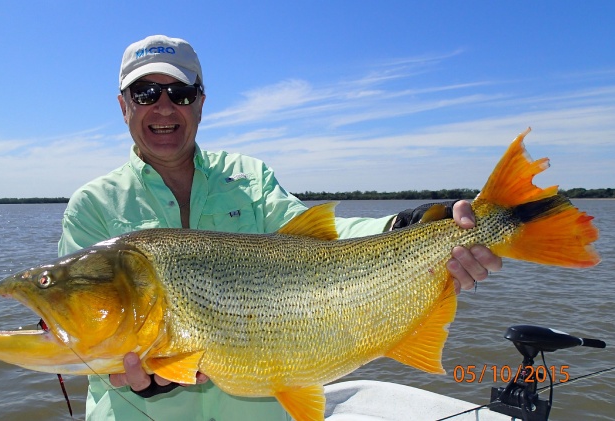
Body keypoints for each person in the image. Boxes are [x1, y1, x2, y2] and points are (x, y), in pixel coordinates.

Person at [58, 35, 502, 421]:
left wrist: (403, 225)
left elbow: (325, 245)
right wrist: (137, 376)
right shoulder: (92, 206)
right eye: (145, 92)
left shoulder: (249, 178)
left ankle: (517, 220)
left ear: (201, 102)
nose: (164, 107)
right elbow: (89, 337)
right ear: (123, 105)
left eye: (181, 93)